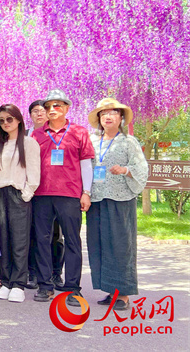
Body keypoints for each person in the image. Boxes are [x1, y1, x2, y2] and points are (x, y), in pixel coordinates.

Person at [32, 90, 94, 306]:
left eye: (57, 105)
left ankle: (73, 288)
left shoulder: (79, 132)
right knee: (42, 240)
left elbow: (86, 164)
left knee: (72, 241)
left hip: (70, 195)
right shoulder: (37, 134)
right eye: (48, 106)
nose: (52, 110)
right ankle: (45, 286)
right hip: (41, 195)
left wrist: (86, 192)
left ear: (67, 108)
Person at [87, 98, 148, 311]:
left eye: (113, 112)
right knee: (100, 245)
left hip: (120, 200)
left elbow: (141, 168)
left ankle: (123, 294)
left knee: (121, 246)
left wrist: (125, 170)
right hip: (96, 200)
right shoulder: (92, 141)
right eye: (103, 113)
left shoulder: (129, 142)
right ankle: (110, 290)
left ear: (121, 117)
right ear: (99, 119)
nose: (108, 116)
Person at [0, 104, 40, 303]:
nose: (5, 123)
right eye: (1, 120)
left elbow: (34, 172)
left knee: (20, 240)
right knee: (3, 239)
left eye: (9, 119)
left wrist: (26, 194)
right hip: (0, 194)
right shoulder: (0, 144)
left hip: (18, 193)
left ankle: (18, 283)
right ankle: (5, 281)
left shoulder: (28, 143)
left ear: (18, 120)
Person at [26, 99, 63, 290]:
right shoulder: (26, 135)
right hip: (31, 192)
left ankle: (56, 273)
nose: (39, 113)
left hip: (55, 190)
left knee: (56, 235)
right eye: (35, 111)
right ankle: (33, 272)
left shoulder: (58, 134)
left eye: (42, 110)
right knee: (33, 234)